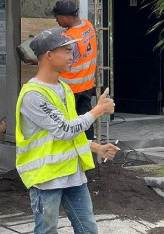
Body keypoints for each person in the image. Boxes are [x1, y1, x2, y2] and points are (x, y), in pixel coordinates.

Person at [15, 28, 120, 234]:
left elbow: (72, 132)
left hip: (72, 175)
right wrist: (98, 110)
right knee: (47, 232)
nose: (72, 56)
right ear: (49, 55)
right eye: (66, 50)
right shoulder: (33, 95)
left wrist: (95, 147)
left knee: (88, 230)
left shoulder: (64, 88)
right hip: (46, 180)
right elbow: (65, 130)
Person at [50, 0, 97, 140]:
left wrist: (39, 60)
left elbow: (63, 62)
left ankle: (71, 152)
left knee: (69, 124)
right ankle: (89, 151)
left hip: (71, 88)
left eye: (57, 17)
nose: (56, 21)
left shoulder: (70, 38)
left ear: (66, 17)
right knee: (86, 119)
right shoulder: (88, 26)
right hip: (87, 85)